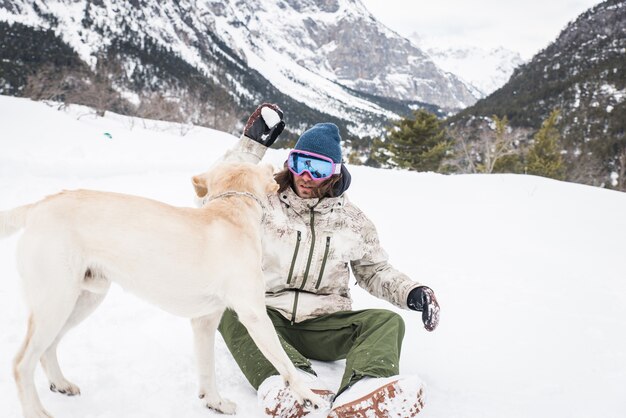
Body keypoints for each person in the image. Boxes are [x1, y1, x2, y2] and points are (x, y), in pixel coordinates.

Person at [214, 104, 440, 418]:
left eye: (317, 169)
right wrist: (251, 148)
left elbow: (374, 270)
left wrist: (411, 292)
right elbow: (217, 193)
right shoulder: (262, 201)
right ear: (289, 163)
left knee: (387, 322)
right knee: (229, 309)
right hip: (266, 314)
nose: (306, 177)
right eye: (300, 164)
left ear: (334, 174)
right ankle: (291, 380)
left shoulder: (352, 221)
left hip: (324, 323)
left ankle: (365, 388)